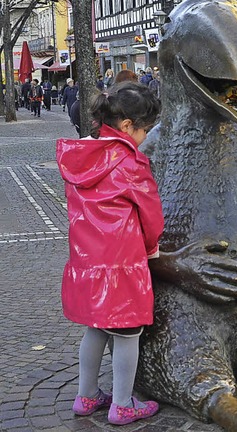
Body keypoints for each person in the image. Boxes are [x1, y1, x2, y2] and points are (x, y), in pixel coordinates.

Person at [56, 81, 163, 425]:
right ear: (129, 126)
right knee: (128, 333)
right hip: (122, 261)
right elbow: (151, 215)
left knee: (96, 329)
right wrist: (151, 247)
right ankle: (122, 403)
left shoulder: (82, 154)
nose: (146, 137)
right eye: (146, 129)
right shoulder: (130, 161)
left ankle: (85, 396)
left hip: (87, 260)